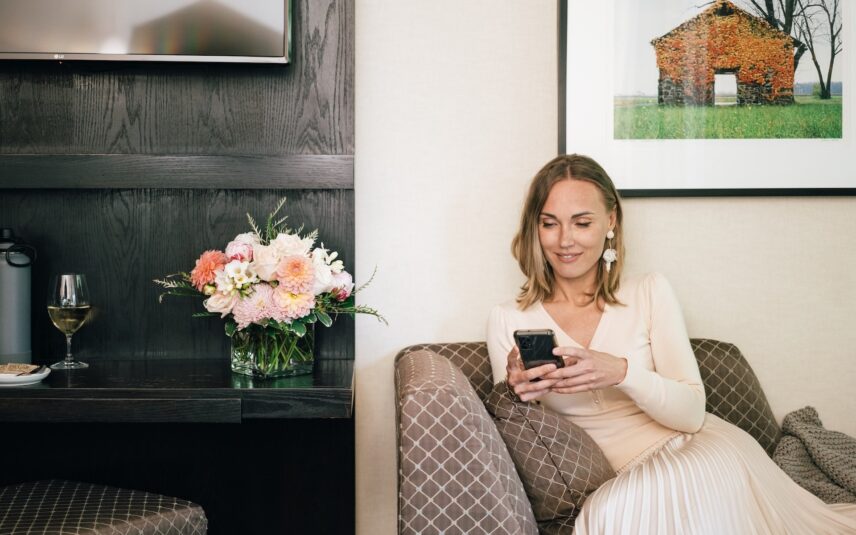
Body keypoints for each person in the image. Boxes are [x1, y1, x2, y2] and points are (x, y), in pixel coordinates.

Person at [487, 154, 856, 534]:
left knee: (632, 505)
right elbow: (520, 436)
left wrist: (621, 372)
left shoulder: (649, 291)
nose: (565, 240)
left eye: (582, 223)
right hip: (623, 482)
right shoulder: (508, 319)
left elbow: (692, 414)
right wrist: (516, 393)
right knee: (611, 511)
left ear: (610, 222)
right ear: (535, 227)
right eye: (550, 224)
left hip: (697, 450)